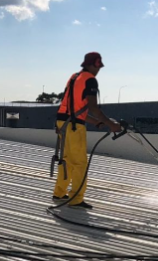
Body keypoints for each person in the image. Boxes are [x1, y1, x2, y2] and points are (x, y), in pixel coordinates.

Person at [52, 52, 122, 210]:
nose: (99, 70)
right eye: (99, 67)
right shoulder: (90, 80)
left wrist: (95, 122)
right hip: (74, 126)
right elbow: (93, 108)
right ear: (94, 64)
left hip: (63, 122)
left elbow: (74, 108)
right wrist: (111, 124)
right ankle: (76, 200)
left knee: (67, 159)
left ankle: (59, 192)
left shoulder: (74, 77)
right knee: (80, 163)